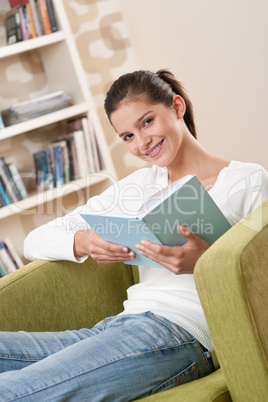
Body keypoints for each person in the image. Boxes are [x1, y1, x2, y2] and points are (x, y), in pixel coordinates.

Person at [1, 69, 268, 401]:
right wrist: (86, 241)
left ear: (177, 107)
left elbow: (262, 278)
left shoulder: (247, 180)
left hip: (179, 336)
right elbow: (35, 240)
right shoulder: (137, 188)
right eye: (127, 136)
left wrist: (204, 260)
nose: (142, 143)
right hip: (121, 326)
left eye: (147, 122)